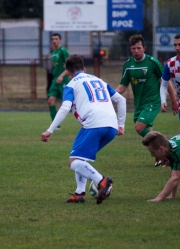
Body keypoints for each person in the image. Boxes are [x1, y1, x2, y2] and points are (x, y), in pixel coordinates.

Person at [41, 55, 126, 204]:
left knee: (73, 162)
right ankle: (79, 194)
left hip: (94, 123)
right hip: (111, 126)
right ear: (84, 69)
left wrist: (50, 130)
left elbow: (65, 107)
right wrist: (121, 124)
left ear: (68, 73)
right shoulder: (99, 80)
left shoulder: (71, 85)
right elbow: (121, 99)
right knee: (80, 158)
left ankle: (102, 181)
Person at [116, 34, 178, 167]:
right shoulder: (128, 65)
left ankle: (168, 150)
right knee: (148, 132)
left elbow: (165, 81)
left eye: (139, 48)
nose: (136, 51)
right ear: (130, 49)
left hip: (152, 102)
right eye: (134, 48)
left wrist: (173, 100)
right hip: (139, 104)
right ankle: (160, 156)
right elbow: (122, 85)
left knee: (139, 127)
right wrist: (110, 95)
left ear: (144, 48)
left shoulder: (152, 62)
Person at [142, 131, 180, 202]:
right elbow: (173, 173)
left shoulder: (177, 151)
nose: (152, 155)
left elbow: (175, 178)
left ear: (161, 149)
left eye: (153, 152)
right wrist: (173, 196)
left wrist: (159, 198)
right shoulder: (169, 148)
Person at [48, 33, 70, 129]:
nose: (54, 41)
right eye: (53, 39)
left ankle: (86, 121)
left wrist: (61, 76)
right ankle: (55, 125)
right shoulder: (53, 52)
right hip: (55, 81)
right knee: (50, 101)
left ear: (60, 40)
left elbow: (69, 67)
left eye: (56, 39)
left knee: (68, 104)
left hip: (63, 80)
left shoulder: (63, 51)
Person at [160, 33, 180, 133]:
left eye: (179, 45)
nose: (177, 47)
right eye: (175, 45)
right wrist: (163, 100)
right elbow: (164, 84)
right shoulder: (171, 63)